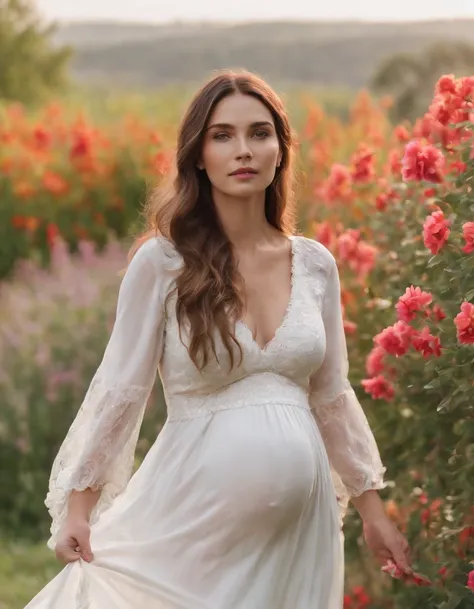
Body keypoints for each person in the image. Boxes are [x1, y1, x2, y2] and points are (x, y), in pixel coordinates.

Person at [25, 69, 411, 609]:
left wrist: (373, 511)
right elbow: (121, 391)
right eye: (222, 135)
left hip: (298, 535)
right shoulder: (162, 264)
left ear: (280, 149)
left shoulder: (316, 265)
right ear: (198, 155)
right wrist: (78, 509)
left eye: (259, 133)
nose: (243, 150)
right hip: (188, 522)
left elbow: (331, 396)